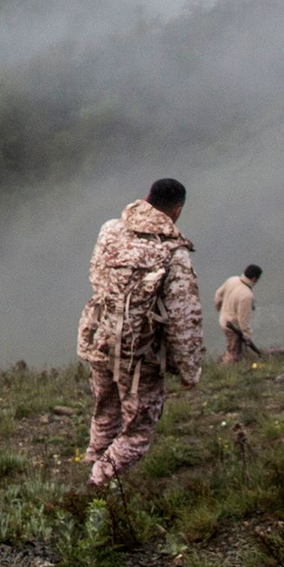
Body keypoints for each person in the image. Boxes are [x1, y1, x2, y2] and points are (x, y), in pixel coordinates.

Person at [77, 179, 203, 486]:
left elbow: (96, 276)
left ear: (146, 198)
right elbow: (183, 318)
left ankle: (93, 461)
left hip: (98, 339)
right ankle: (98, 485)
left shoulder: (110, 230)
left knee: (105, 411)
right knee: (138, 431)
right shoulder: (173, 252)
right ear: (177, 210)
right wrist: (189, 369)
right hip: (139, 353)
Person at [215, 265, 263, 362]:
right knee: (234, 355)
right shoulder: (247, 295)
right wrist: (247, 336)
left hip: (223, 320)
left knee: (232, 348)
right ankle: (225, 371)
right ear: (254, 278)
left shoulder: (232, 280)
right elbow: (243, 321)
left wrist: (218, 307)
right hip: (233, 327)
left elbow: (218, 294)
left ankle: (226, 363)